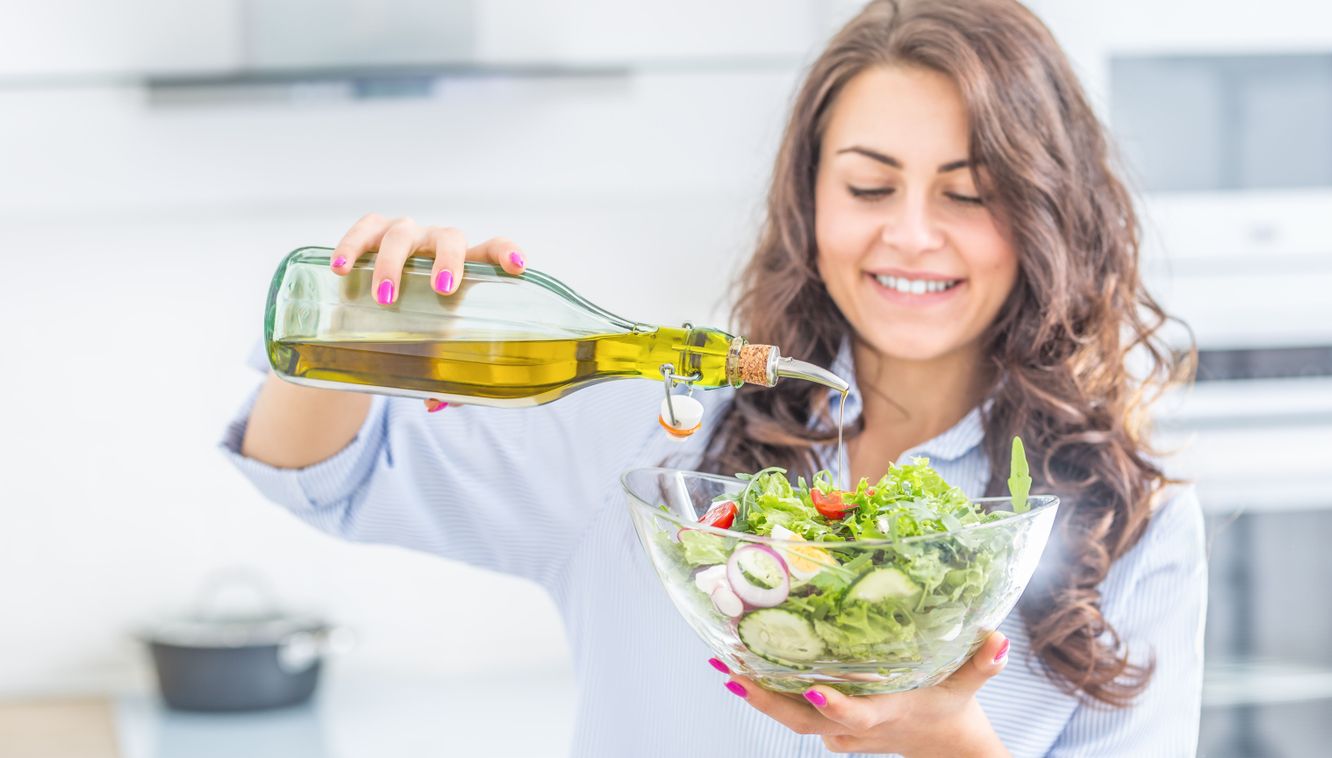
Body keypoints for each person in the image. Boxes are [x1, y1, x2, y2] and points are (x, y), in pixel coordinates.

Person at [223, 0, 1206, 755]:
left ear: (1045, 214)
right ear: (808, 201)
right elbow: (317, 470)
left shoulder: (1133, 523)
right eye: (868, 186)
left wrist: (950, 743)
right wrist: (356, 318)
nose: (910, 232)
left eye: (970, 194)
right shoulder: (658, 434)